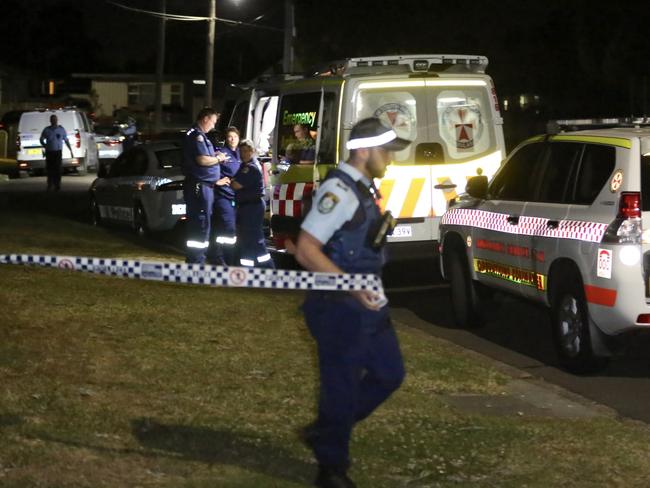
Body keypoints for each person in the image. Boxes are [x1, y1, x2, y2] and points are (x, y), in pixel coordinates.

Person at [294, 117, 411, 488]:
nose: (389, 159)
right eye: (385, 151)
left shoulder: (362, 188)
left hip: (368, 301)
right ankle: (331, 469)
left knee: (389, 373)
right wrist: (349, 286)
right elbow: (307, 250)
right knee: (341, 384)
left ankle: (328, 429)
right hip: (340, 306)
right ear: (364, 150)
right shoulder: (339, 191)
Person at [182, 107, 230, 264]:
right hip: (199, 188)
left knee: (200, 225)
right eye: (213, 122)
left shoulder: (200, 136)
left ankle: (195, 261)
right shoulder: (197, 137)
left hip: (203, 187)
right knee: (200, 226)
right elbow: (201, 160)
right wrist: (219, 159)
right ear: (205, 119)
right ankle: (196, 263)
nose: (213, 126)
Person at [231, 139, 274, 269]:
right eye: (241, 151)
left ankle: (269, 269)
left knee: (255, 239)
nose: (243, 154)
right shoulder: (246, 166)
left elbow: (235, 185)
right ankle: (247, 270)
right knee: (247, 240)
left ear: (253, 151)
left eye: (246, 151)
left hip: (252, 207)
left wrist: (232, 181)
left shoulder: (250, 168)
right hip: (247, 206)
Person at [209, 126, 242, 265]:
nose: (232, 139)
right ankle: (221, 259)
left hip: (238, 197)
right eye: (229, 136)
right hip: (223, 196)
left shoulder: (242, 153)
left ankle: (228, 258)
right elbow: (209, 169)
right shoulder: (221, 153)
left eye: (235, 136)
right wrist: (217, 181)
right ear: (226, 138)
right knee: (229, 228)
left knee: (232, 230)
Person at [40, 114, 73, 191]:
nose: (54, 121)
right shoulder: (46, 130)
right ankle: (50, 184)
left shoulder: (61, 130)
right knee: (50, 169)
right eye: (52, 119)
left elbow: (66, 140)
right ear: (50, 121)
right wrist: (45, 145)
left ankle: (57, 185)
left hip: (58, 152)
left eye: (55, 119)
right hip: (49, 152)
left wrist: (70, 150)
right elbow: (41, 139)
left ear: (57, 120)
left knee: (58, 169)